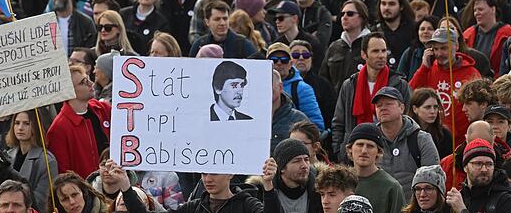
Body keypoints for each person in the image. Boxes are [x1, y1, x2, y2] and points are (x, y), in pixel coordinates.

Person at [332, 32, 411, 162]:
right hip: (354, 154)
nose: (381, 55)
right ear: (364, 55)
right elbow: (339, 122)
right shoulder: (350, 85)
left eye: (384, 51)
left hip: (389, 153)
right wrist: (340, 151)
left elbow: (407, 119)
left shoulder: (399, 84)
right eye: (375, 51)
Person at [111, 158, 264, 213]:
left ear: (230, 174)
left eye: (214, 173)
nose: (208, 179)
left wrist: (268, 186)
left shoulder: (247, 204)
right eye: (204, 173)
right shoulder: (194, 207)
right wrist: (126, 187)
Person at [410, 26, 482, 143]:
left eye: (444, 48)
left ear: (456, 46)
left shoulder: (471, 73)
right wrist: (423, 69)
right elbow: (411, 94)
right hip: (433, 140)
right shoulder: (428, 69)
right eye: (435, 49)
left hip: (462, 141)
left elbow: (479, 108)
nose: (439, 53)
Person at [373, 87, 439, 196]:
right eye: (378, 105)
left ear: (402, 108)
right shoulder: (371, 141)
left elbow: (433, 180)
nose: (383, 108)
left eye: (388, 104)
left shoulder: (421, 139)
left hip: (413, 204)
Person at [46, 65, 111, 177]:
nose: (91, 83)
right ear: (69, 91)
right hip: (87, 186)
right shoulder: (59, 129)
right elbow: (64, 174)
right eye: (83, 82)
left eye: (88, 79)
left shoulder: (102, 109)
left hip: (114, 182)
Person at [445, 139, 511, 213]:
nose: (484, 169)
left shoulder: (505, 201)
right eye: (478, 164)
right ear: (465, 167)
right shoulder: (457, 199)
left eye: (489, 164)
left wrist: (462, 210)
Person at [345, 123, 405, 213]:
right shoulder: (340, 182)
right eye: (360, 145)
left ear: (378, 151)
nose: (364, 151)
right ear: (350, 148)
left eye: (370, 146)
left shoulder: (391, 187)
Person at [5, 110, 58, 211]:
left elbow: (42, 201)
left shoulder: (46, 160)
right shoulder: (7, 156)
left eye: (26, 123)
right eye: (17, 123)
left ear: (35, 126)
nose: (20, 128)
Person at [269, 42, 324, 129]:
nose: (279, 63)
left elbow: (316, 125)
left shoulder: (303, 89)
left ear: (290, 64)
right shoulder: (256, 87)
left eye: (284, 60)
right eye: (274, 60)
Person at [321, 0, 371, 94]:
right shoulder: (334, 47)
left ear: (362, 17)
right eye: (342, 14)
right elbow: (324, 80)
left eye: (350, 14)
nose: (344, 17)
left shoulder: (372, 45)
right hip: (337, 101)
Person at [261, 138, 322, 213]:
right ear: (282, 168)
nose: (304, 165)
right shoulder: (262, 191)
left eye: (306, 159)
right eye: (297, 161)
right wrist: (269, 191)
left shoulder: (320, 189)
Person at [189, 0, 259, 58]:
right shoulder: (199, 45)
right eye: (217, 19)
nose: (222, 23)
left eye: (225, 19)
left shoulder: (243, 45)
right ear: (207, 22)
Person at [410, 88, 454, 158]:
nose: (433, 111)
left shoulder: (444, 135)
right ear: (415, 109)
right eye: (427, 107)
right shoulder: (406, 132)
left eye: (435, 107)